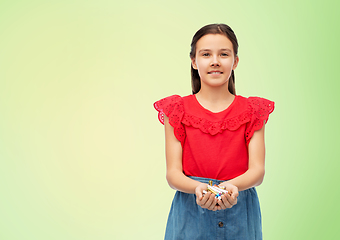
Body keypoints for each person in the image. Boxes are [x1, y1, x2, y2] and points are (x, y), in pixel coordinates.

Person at [154, 23, 274, 240]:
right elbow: (173, 174)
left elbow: (258, 170)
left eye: (224, 54)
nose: (215, 61)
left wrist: (231, 187)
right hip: (190, 211)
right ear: (194, 61)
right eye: (206, 54)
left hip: (240, 209)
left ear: (235, 61)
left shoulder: (253, 110)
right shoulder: (176, 110)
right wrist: (200, 189)